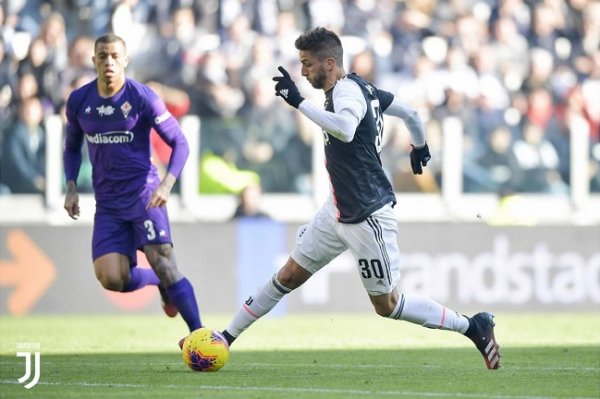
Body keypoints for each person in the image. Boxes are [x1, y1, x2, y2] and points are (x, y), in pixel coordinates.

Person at [220, 27, 501, 370]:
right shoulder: (363, 89)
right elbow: (411, 113)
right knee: (288, 276)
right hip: (337, 209)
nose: (304, 72)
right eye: (301, 64)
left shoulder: (347, 92)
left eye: (308, 64)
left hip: (368, 214)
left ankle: (473, 326)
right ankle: (225, 337)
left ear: (330, 62)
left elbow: (345, 128)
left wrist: (299, 102)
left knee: (389, 305)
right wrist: (420, 144)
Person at [63, 33, 202, 338]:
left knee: (165, 262)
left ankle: (200, 336)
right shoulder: (79, 101)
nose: (109, 62)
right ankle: (158, 282)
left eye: (115, 56)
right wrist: (71, 185)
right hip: (108, 204)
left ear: (125, 60)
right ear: (94, 61)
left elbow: (179, 142)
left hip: (144, 195)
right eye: (103, 56)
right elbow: (71, 146)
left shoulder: (142, 98)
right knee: (111, 278)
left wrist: (167, 184)